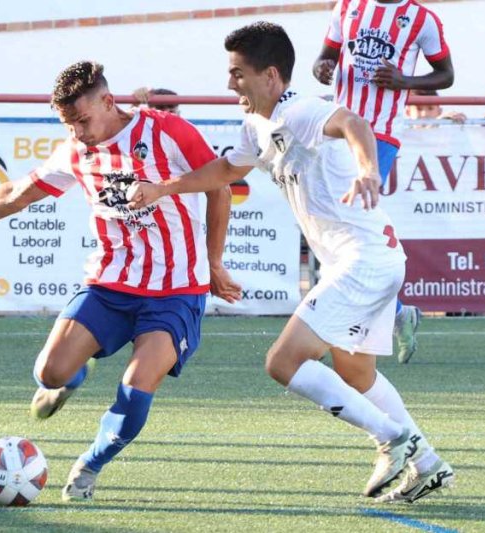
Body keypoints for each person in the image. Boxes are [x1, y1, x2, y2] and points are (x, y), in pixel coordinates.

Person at [127, 22, 454, 503]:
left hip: (362, 262)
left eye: (238, 74)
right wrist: (165, 188)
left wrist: (368, 170)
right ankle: (427, 463)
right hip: (377, 261)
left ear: (271, 76)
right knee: (356, 375)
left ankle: (392, 440)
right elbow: (227, 169)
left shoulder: (299, 110)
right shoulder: (256, 123)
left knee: (283, 361)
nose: (229, 83)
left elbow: (354, 124)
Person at [0, 60, 241, 502]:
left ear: (108, 101)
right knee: (49, 372)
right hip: (111, 282)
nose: (78, 132)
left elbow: (220, 187)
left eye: (82, 120)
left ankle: (90, 465)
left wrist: (214, 263)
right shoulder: (75, 149)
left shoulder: (167, 131)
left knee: (137, 386)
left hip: (176, 288)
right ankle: (75, 373)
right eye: (69, 124)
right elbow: (15, 194)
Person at [312, 0, 456, 364]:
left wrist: (405, 81)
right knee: (335, 225)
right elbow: (323, 59)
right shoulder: (346, 7)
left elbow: (446, 75)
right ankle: (395, 314)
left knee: (355, 220)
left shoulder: (422, 18)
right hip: (336, 128)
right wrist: (323, 68)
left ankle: (349, 324)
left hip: (381, 135)